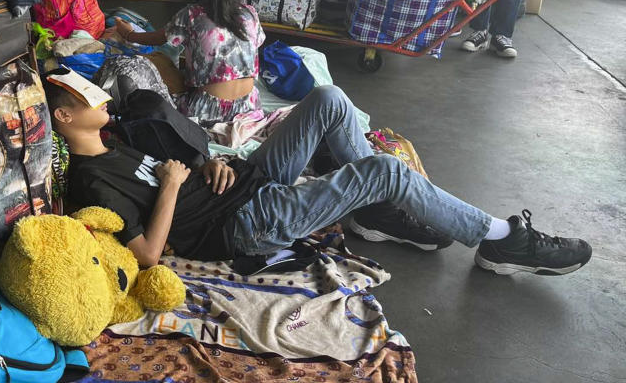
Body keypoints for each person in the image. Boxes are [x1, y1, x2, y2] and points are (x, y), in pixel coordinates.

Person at [47, 72, 591, 275]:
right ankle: (499, 239)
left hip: (242, 180)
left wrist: (203, 163)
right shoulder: (91, 182)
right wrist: (170, 187)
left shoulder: (114, 138)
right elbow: (146, 254)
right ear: (64, 117)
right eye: (82, 94)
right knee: (385, 169)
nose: (98, 94)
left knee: (328, 99)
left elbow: (180, 161)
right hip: (245, 223)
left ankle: (373, 209)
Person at [113, 0, 264, 124]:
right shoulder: (250, 14)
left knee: (152, 63)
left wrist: (129, 34)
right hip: (250, 107)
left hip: (206, 112)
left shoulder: (192, 15)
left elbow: (158, 39)